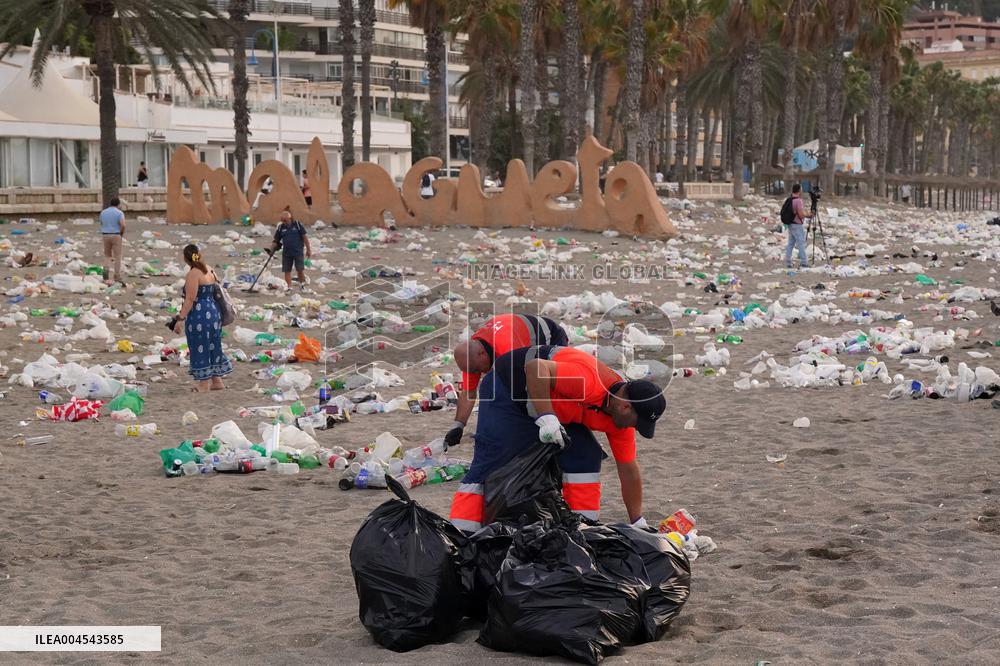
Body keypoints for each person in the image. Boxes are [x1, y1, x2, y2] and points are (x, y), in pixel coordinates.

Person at [449, 345, 666, 532]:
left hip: (553, 404)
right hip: (508, 387)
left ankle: (583, 525)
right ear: (625, 406)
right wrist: (547, 418)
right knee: (490, 459)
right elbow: (535, 368)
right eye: (637, 423)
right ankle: (462, 530)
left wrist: (637, 521)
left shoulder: (620, 421)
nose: (634, 429)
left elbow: (628, 469)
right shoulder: (588, 382)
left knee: (585, 455)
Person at [444, 313, 569, 448]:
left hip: (550, 337)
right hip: (520, 338)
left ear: (482, 353)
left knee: (545, 387)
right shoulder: (471, 359)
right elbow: (469, 394)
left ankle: (558, 428)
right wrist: (458, 426)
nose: (478, 374)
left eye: (476, 370)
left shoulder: (506, 348)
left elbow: (526, 384)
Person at [173, 244, 233, 392]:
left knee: (200, 346)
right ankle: (217, 380)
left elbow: (191, 298)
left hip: (199, 315)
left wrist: (180, 319)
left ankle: (204, 383)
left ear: (186, 258)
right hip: (213, 312)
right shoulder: (209, 269)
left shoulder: (194, 273)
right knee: (213, 344)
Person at [269, 209, 311, 290]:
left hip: (298, 252)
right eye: (282, 220)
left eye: (285, 220)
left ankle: (301, 285)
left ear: (290, 218)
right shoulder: (281, 227)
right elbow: (276, 240)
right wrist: (271, 250)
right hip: (287, 253)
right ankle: (289, 287)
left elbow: (305, 238)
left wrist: (308, 250)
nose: (284, 222)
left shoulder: (297, 225)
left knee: (300, 269)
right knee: (287, 270)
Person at [784, 183, 812, 269]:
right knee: (801, 243)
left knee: (790, 243)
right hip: (797, 225)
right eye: (801, 189)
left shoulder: (789, 199)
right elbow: (801, 215)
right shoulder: (798, 200)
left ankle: (788, 262)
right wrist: (809, 215)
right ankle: (804, 262)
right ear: (799, 190)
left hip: (790, 224)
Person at [99, 197, 126, 286]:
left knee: (107, 255)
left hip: (105, 234)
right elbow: (123, 225)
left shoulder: (103, 212)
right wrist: (121, 233)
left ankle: (105, 272)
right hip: (116, 234)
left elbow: (102, 223)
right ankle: (117, 275)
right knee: (117, 256)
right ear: (118, 204)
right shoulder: (119, 213)